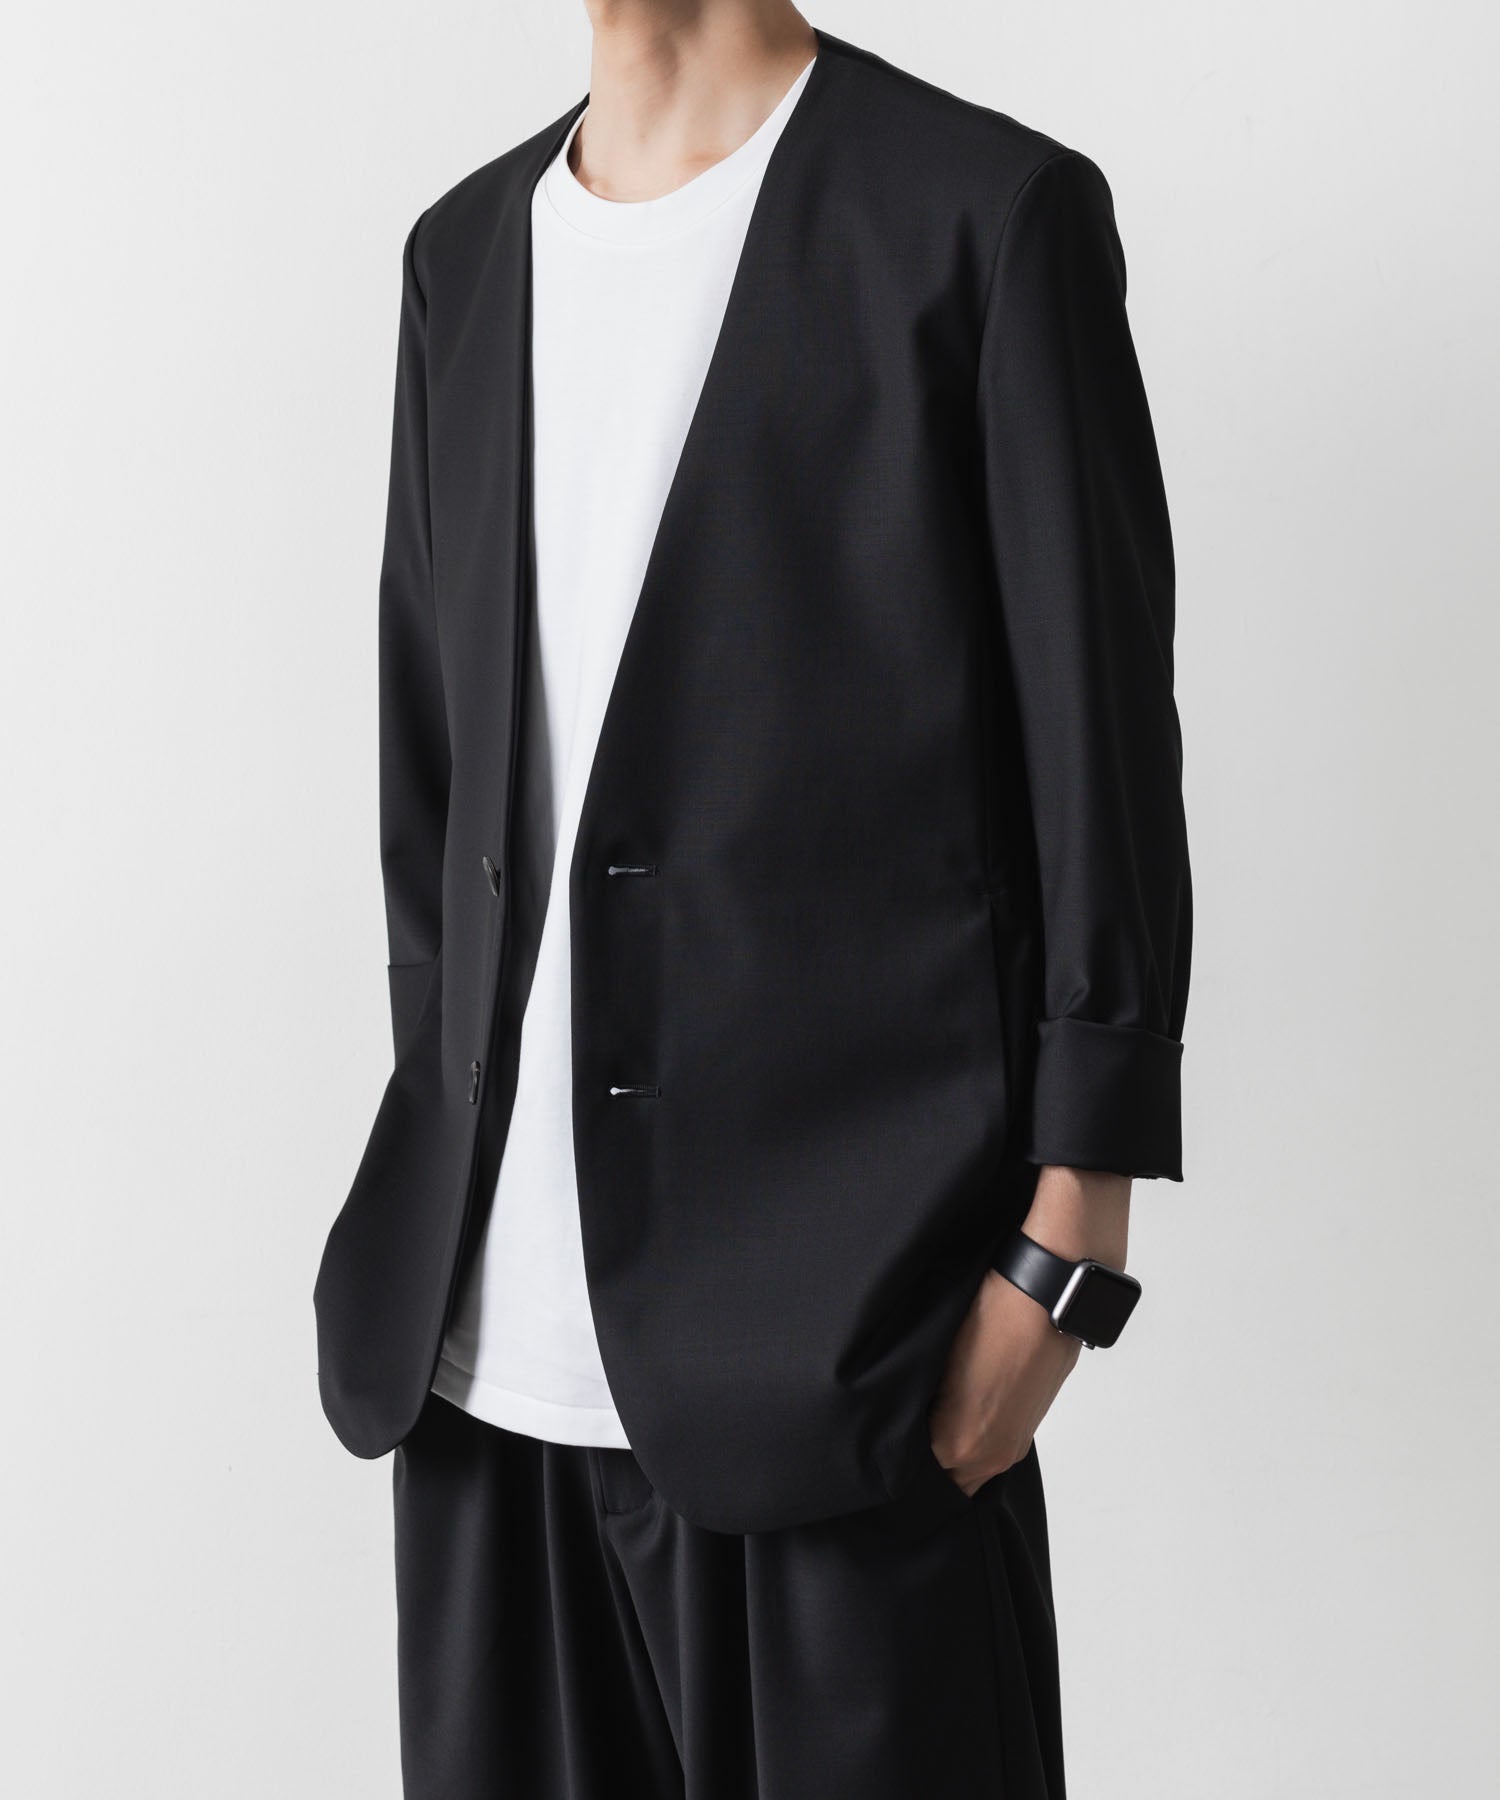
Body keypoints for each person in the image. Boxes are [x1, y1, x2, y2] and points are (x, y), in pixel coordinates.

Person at [313, 4, 1192, 1795]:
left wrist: (1067, 1249)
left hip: (851, 1357)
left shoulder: (983, 216)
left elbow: (1099, 752)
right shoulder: (460, 256)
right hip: (478, 1380)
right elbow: (433, 788)